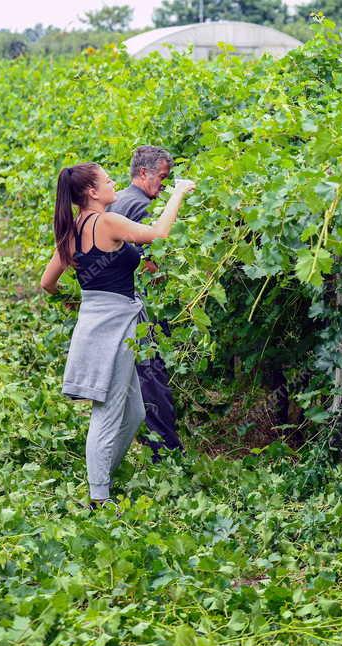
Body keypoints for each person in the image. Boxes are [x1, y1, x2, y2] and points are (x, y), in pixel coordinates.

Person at [39, 162, 195, 504]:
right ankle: (99, 497)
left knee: (135, 412)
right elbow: (159, 234)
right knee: (107, 413)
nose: (114, 183)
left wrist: (75, 303)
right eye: (107, 180)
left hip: (100, 319)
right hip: (115, 326)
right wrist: (179, 192)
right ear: (92, 192)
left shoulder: (73, 228)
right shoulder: (106, 221)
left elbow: (47, 283)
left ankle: (104, 476)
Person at [108, 146, 183, 460]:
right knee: (151, 377)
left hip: (120, 303)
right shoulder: (141, 207)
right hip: (143, 306)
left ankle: (149, 445)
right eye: (161, 178)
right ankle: (165, 452)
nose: (163, 185)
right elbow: (151, 260)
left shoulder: (118, 201)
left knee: (136, 379)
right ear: (143, 173)